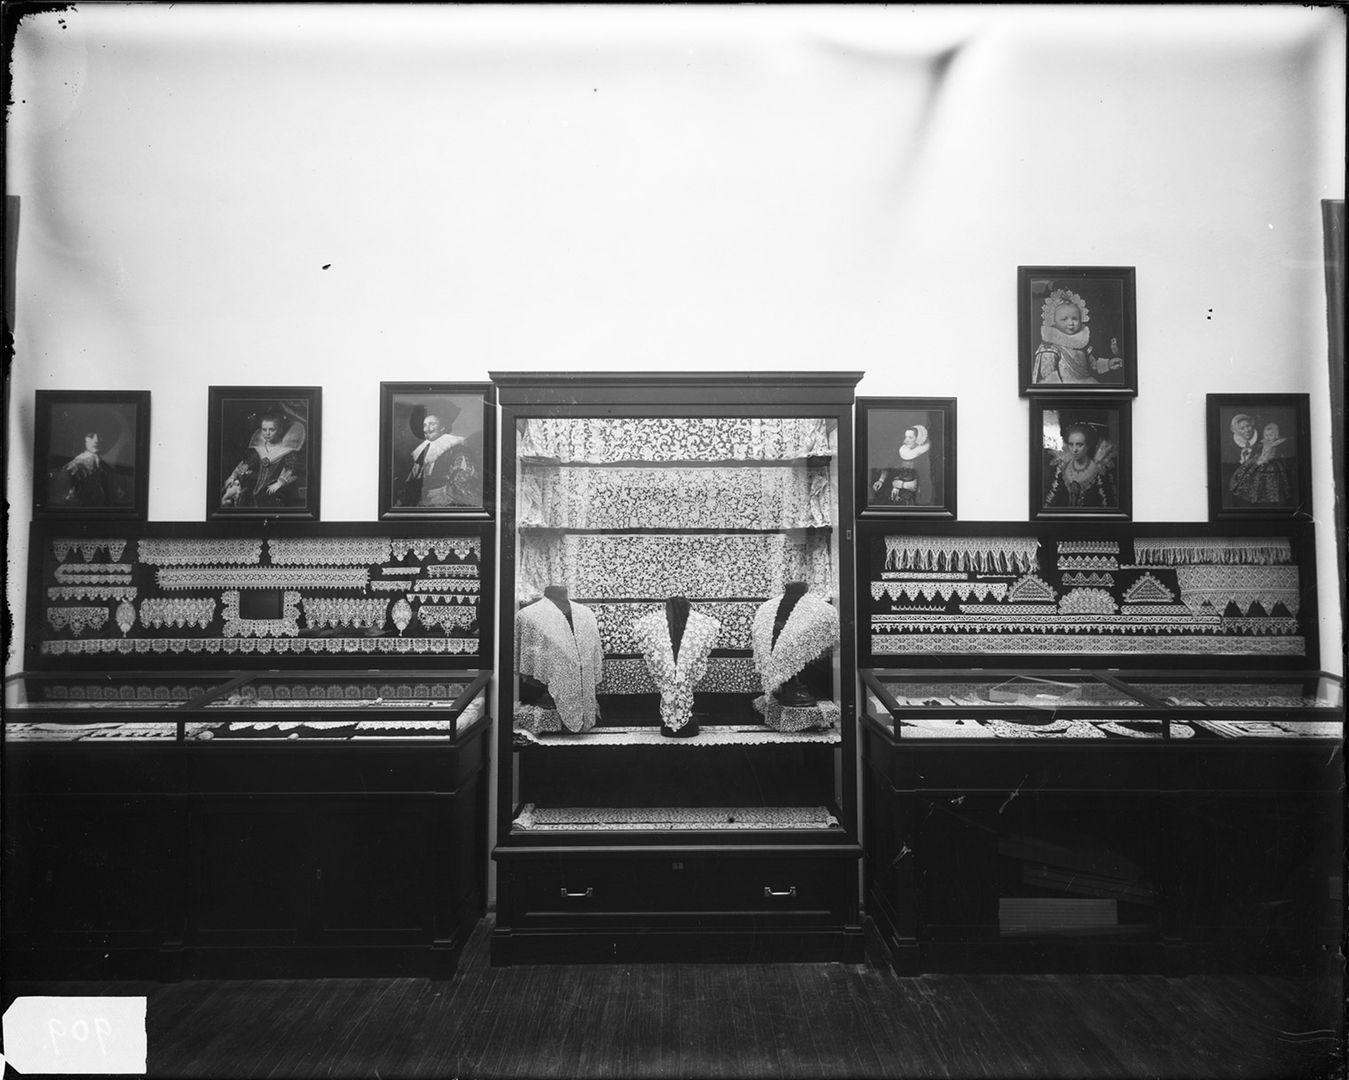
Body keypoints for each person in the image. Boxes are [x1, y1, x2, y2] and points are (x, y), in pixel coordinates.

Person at [1031, 288, 1125, 384]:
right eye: (1064, 319)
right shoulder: (1050, 347)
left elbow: (1093, 365)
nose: (1071, 323)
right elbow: (1048, 376)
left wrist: (1108, 364)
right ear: (1053, 322)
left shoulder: (1082, 344)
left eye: (1075, 318)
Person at [221, 408, 306, 509]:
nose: (267, 433)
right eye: (264, 430)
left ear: (280, 430)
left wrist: (279, 483)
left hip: (278, 488)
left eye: (272, 429)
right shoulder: (260, 448)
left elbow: (290, 468)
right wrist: (233, 475)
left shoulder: (286, 450)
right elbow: (248, 463)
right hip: (257, 487)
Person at [400, 405, 482, 508]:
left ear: (443, 427)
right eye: (424, 425)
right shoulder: (422, 450)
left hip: (443, 502)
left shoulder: (456, 448)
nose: (426, 429)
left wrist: (441, 495)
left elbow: (464, 479)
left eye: (432, 424)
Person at [48, 425, 131, 507]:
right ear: (82, 438)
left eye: (100, 435)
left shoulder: (104, 466)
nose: (96, 440)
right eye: (91, 436)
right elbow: (66, 500)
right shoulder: (76, 467)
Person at [1043, 421, 1117, 508]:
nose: (1074, 450)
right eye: (1071, 444)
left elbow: (1108, 505)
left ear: (1088, 445)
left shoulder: (1099, 471)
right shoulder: (1062, 468)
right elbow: (1051, 499)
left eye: (1079, 445)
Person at [1229, 415, 1296, 506]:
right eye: (1242, 428)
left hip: (1268, 462)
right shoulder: (1262, 441)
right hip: (1259, 459)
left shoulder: (1270, 444)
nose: (1246, 430)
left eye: (1248, 426)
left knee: (1266, 480)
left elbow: (1271, 455)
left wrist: (1262, 459)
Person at [871, 425, 933, 505]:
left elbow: (921, 483)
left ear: (918, 440)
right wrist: (881, 480)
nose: (905, 441)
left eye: (910, 438)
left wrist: (901, 485)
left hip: (913, 497)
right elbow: (889, 466)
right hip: (896, 492)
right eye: (906, 437)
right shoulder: (902, 451)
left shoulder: (923, 458)